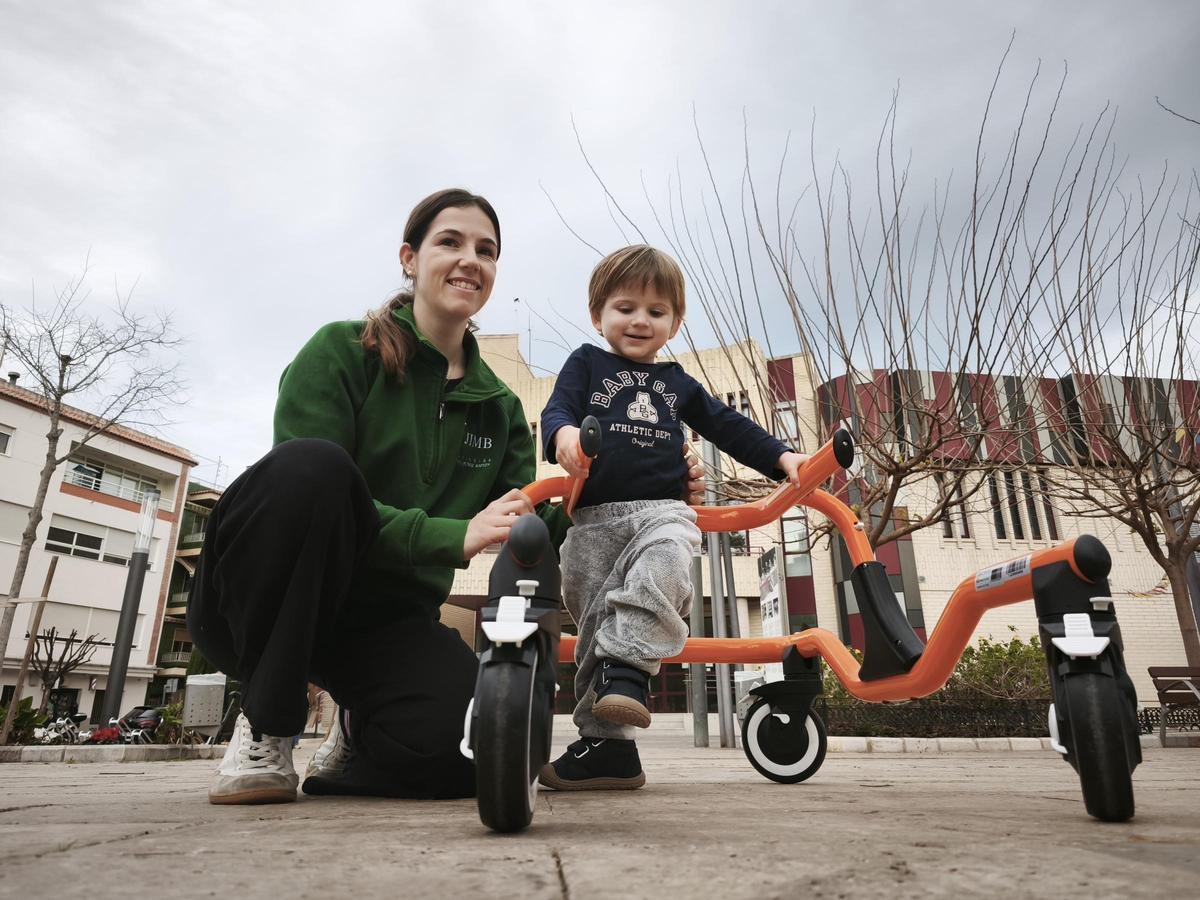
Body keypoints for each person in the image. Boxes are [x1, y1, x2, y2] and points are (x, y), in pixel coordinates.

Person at [189, 191, 703, 805]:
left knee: (474, 752)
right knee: (313, 466)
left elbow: (535, 518)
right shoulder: (341, 352)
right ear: (409, 258)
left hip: (380, 626)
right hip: (263, 606)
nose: (470, 260)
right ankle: (268, 725)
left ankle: (358, 732)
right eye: (450, 242)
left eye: (486, 250)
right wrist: (450, 535)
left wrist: (636, 493)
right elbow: (299, 498)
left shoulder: (499, 408)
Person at [538, 245, 807, 791]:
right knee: (593, 629)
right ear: (598, 315)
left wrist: (783, 458)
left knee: (663, 564)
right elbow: (558, 409)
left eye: (656, 312)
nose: (640, 320)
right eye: (625, 307)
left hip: (663, 511)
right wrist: (564, 437)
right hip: (593, 522)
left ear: (675, 324)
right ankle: (607, 750)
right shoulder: (587, 362)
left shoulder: (678, 383)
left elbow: (728, 425)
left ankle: (632, 670)